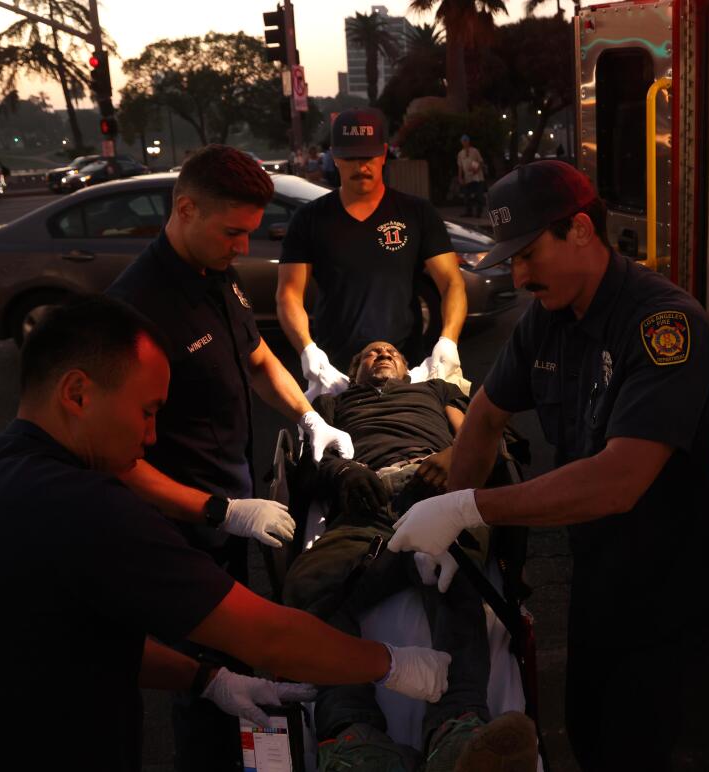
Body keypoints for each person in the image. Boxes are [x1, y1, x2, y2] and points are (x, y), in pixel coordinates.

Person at [0, 297, 451, 771]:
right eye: (147, 412)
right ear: (77, 394)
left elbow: (73, 638)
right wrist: (394, 664)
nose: (150, 437)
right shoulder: (87, 508)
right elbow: (268, 638)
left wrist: (205, 677)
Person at [387, 161, 709, 771]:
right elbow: (486, 417)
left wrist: (466, 507)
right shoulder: (545, 323)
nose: (519, 276)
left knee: (631, 744)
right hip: (600, 561)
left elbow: (619, 481)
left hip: (670, 574)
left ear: (579, 230)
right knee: (583, 724)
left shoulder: (661, 324)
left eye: (527, 256)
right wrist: (458, 537)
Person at [106, 144, 355, 770]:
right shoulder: (135, 309)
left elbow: (258, 357)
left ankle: (255, 760)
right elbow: (116, 460)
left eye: (251, 233)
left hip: (229, 516)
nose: (244, 247)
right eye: (234, 232)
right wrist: (218, 510)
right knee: (208, 684)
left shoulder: (214, 272)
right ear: (185, 209)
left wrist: (307, 415)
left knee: (241, 666)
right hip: (178, 531)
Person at [281, 340, 537, 771]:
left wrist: (454, 458)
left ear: (406, 367)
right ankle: (352, 735)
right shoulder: (333, 404)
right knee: (311, 587)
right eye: (368, 352)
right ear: (353, 368)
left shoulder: (435, 390)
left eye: (390, 352)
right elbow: (311, 460)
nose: (380, 353)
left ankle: (458, 729)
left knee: (457, 578)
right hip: (367, 499)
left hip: (437, 490)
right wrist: (345, 473)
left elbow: (482, 434)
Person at [275, 107, 467, 400]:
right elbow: (288, 293)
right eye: (350, 158)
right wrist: (308, 350)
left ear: (384, 154)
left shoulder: (417, 213)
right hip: (335, 369)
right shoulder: (310, 219)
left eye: (368, 157)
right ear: (335, 156)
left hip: (406, 364)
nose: (360, 166)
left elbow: (451, 282)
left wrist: (448, 340)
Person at [457, 134, 486, 218]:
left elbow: (480, 161)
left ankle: (478, 212)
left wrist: (476, 169)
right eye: (463, 141)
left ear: (468, 141)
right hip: (467, 177)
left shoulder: (475, 151)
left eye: (466, 141)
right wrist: (460, 177)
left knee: (478, 195)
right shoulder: (460, 153)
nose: (465, 143)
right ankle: (468, 211)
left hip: (477, 177)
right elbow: (460, 166)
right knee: (467, 195)